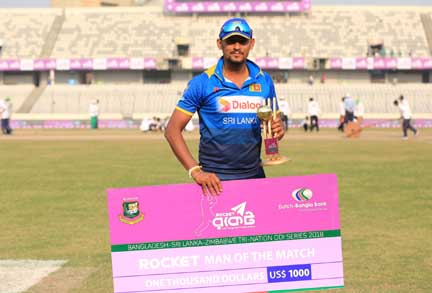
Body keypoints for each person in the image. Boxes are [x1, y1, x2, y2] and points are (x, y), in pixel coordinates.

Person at [165, 17, 285, 196]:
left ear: (251, 44)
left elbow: (273, 124)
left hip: (255, 175)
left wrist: (278, 130)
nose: (237, 46)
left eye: (242, 41)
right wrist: (195, 171)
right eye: (231, 41)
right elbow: (172, 130)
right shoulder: (202, 83)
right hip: (214, 180)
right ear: (220, 43)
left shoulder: (264, 80)